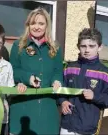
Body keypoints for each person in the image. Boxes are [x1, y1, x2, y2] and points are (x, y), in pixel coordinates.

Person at [9, 7, 63, 135]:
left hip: (47, 109)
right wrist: (28, 78)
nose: (37, 27)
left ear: (47, 26)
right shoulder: (18, 46)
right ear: (28, 25)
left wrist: (57, 81)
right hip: (23, 107)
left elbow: (58, 70)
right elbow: (12, 71)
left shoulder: (55, 48)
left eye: (41, 23)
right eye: (33, 23)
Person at [58, 28, 108, 135]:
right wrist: (62, 101)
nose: (87, 50)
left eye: (92, 46)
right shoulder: (69, 68)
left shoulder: (104, 72)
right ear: (78, 46)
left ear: (100, 47)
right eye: (83, 46)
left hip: (87, 128)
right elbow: (60, 89)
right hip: (67, 125)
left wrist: (95, 96)